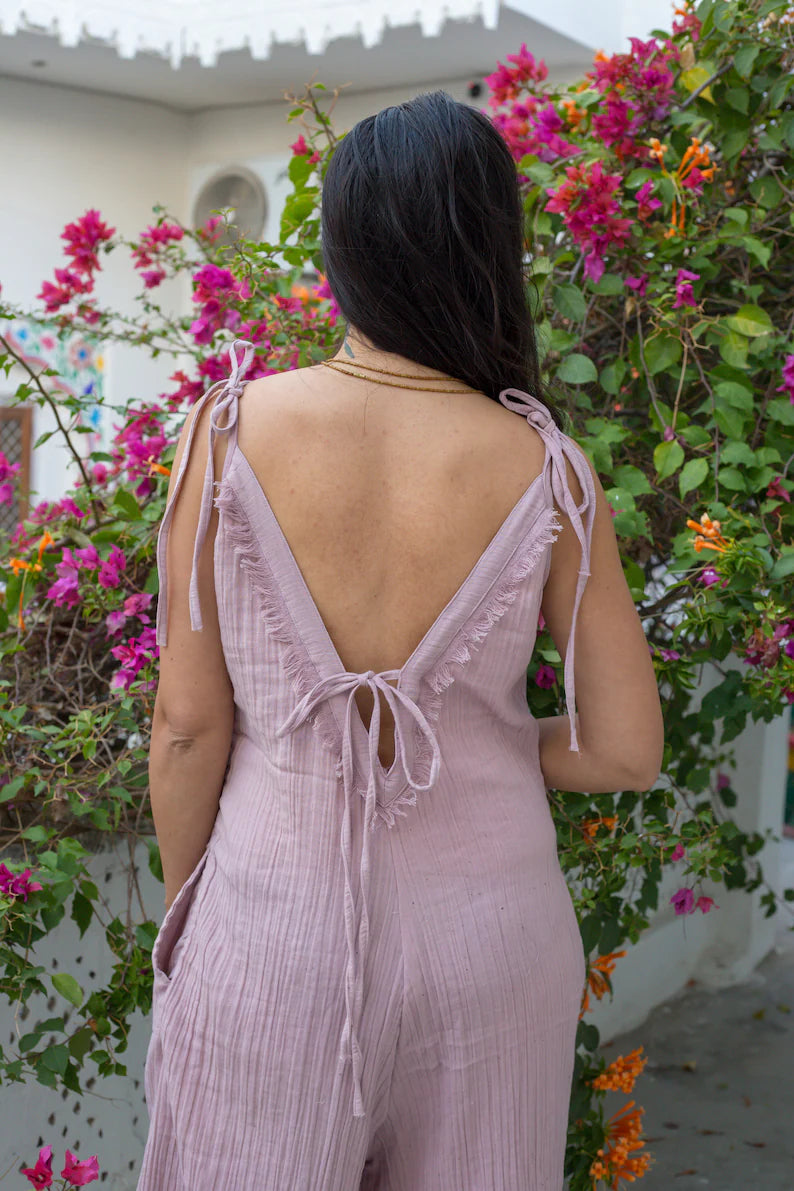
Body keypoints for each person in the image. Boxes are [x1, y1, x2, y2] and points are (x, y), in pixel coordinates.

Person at [138, 89, 663, 1190]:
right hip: (493, 944)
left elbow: (187, 725)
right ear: (490, 247)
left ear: (342, 249)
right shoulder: (547, 467)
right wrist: (480, 741)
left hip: (271, 928)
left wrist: (198, 916)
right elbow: (624, 750)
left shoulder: (228, 432)